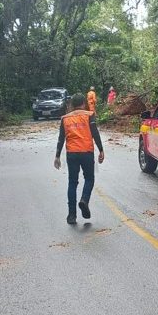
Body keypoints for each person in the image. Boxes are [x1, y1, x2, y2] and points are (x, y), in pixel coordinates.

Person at [54, 93, 105, 224]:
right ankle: (84, 200)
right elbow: (95, 133)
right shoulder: (89, 115)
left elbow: (61, 139)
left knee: (72, 182)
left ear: (72, 104)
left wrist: (57, 156)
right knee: (89, 178)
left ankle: (71, 215)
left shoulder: (65, 119)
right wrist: (101, 150)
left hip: (72, 154)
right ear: (83, 103)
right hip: (87, 152)